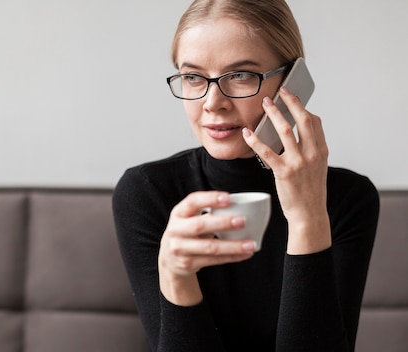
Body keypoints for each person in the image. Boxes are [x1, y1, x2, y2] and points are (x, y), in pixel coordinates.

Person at [111, 0, 379, 351]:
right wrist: (177, 278)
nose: (212, 102)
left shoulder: (347, 199)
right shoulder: (148, 193)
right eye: (193, 77)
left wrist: (307, 219)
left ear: (292, 82)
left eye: (239, 75)